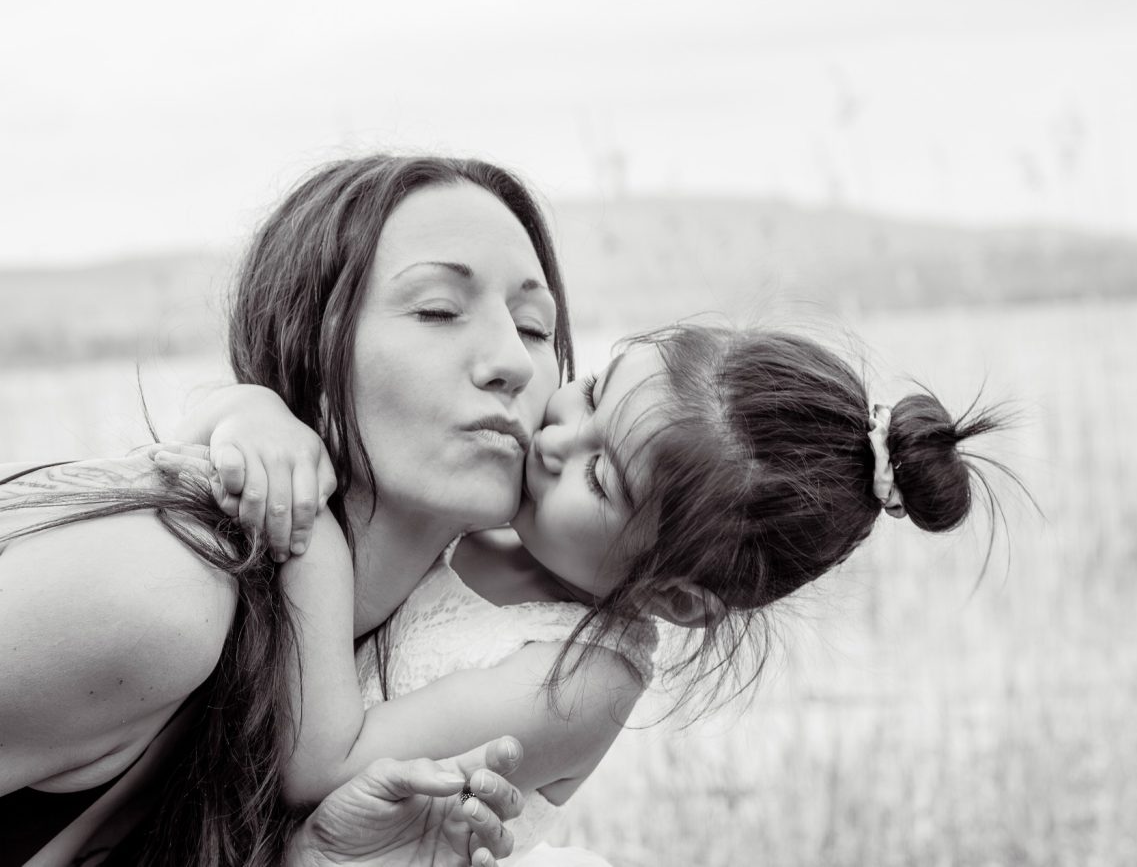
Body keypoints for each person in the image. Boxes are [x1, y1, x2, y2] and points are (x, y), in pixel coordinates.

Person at [169, 319, 1009, 863]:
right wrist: (255, 418)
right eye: (598, 390)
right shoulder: (487, 498)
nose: (556, 437)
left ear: (679, 598)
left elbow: (321, 765)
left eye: (601, 476)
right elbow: (228, 439)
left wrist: (303, 521)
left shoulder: (583, 680)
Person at [0, 155, 577, 865]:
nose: (512, 363)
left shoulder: (400, 661)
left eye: (533, 328)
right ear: (309, 348)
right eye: (437, 310)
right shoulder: (166, 591)